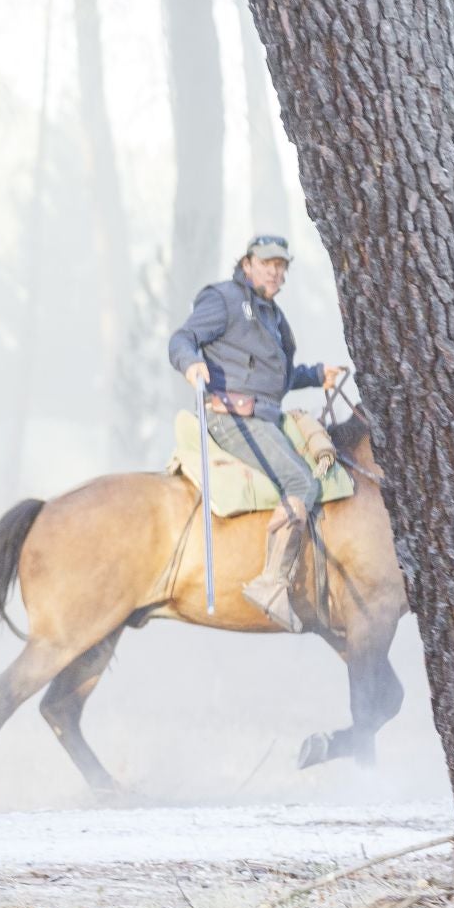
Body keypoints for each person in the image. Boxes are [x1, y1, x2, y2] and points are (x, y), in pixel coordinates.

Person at [169, 235, 346, 632]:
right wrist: (191, 364)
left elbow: (277, 381)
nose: (275, 270)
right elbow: (182, 338)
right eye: (267, 262)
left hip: (265, 415)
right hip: (232, 417)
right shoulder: (224, 298)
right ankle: (270, 584)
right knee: (301, 482)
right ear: (247, 263)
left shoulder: (274, 317)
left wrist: (317, 375)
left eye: (281, 265)